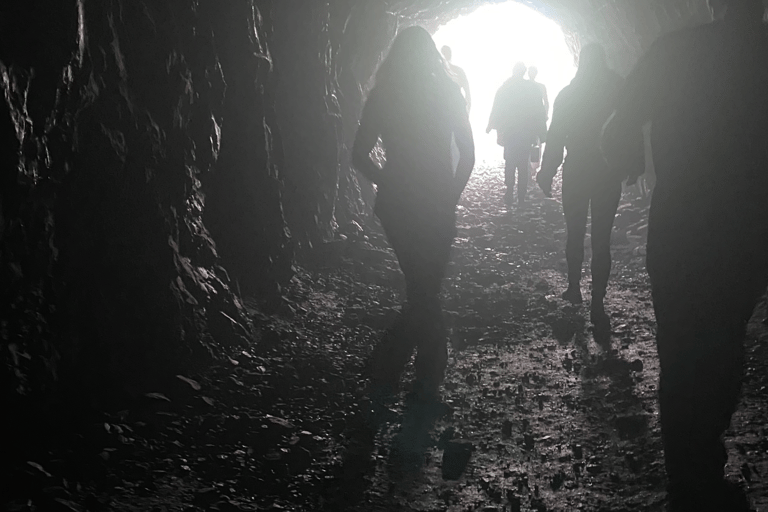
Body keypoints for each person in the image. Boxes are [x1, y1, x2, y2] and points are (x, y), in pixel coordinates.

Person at [602, 0, 768, 510]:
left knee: (678, 349)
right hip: (747, 228)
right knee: (725, 338)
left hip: (680, 225)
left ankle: (688, 476)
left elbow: (617, 128)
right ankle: (706, 455)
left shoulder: (674, 51)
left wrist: (630, 162)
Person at [352, 26, 475, 402]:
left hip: (398, 205)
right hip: (436, 200)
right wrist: (450, 197)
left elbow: (358, 155)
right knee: (427, 287)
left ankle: (397, 366)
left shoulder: (383, 95)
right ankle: (423, 371)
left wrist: (386, 181)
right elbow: (468, 155)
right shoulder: (447, 92)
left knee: (420, 287)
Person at [537, 44, 628, 322]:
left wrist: (547, 170)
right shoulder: (618, 92)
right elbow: (630, 128)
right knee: (602, 238)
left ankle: (574, 288)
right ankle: (597, 300)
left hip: (576, 169)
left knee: (574, 232)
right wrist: (634, 165)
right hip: (607, 171)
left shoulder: (569, 95)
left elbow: (556, 135)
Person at [487, 62, 547, 205]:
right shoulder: (531, 88)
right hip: (526, 131)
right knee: (523, 162)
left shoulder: (506, 87)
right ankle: (521, 194)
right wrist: (541, 132)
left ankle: (509, 189)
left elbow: (497, 106)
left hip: (510, 131)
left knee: (510, 161)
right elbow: (539, 109)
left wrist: (491, 125)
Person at [441, 45, 472, 112]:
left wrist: (467, 111)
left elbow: (468, 95)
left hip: (456, 108)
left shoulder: (459, 71)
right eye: (444, 53)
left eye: (447, 53)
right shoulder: (440, 70)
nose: (446, 55)